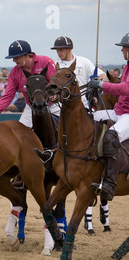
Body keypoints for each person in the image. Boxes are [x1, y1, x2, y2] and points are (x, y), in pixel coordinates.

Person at [89, 32, 129, 201]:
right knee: (87, 118)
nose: (122, 51)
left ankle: (109, 184)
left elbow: (125, 89)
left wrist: (102, 85)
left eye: (124, 48)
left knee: (111, 136)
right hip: (118, 111)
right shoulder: (127, 66)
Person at [0, 40, 57, 128]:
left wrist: (53, 94)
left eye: (16, 57)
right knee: (20, 132)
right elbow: (8, 96)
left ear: (25, 55)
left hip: (53, 105)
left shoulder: (45, 61)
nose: (13, 60)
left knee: (65, 131)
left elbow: (54, 83)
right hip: (32, 107)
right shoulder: (14, 72)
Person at [51, 36, 106, 109]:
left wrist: (98, 81)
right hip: (60, 107)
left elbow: (102, 75)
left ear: (69, 49)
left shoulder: (83, 61)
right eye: (57, 50)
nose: (58, 53)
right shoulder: (55, 65)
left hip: (82, 105)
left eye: (61, 50)